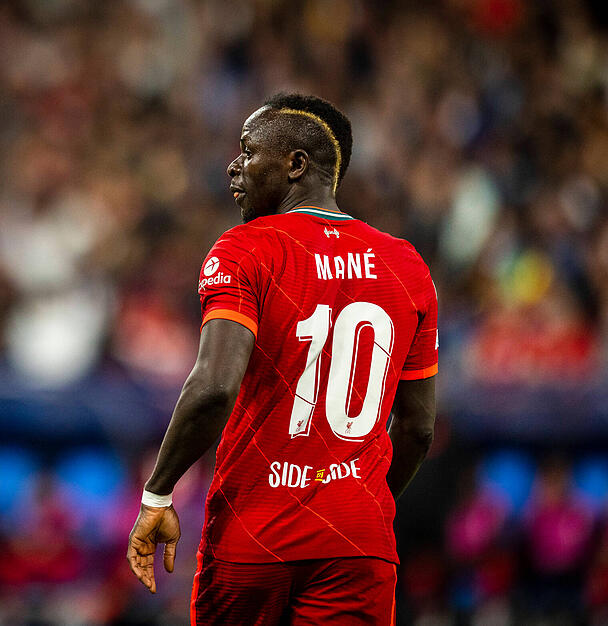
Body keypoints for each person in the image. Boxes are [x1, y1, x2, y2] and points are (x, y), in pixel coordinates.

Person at [126, 93, 438, 624]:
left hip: (255, 533)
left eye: (248, 151)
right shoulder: (406, 265)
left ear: (295, 164)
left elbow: (213, 388)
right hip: (357, 542)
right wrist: (357, 502)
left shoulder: (246, 248)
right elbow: (419, 428)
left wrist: (157, 492)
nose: (234, 166)